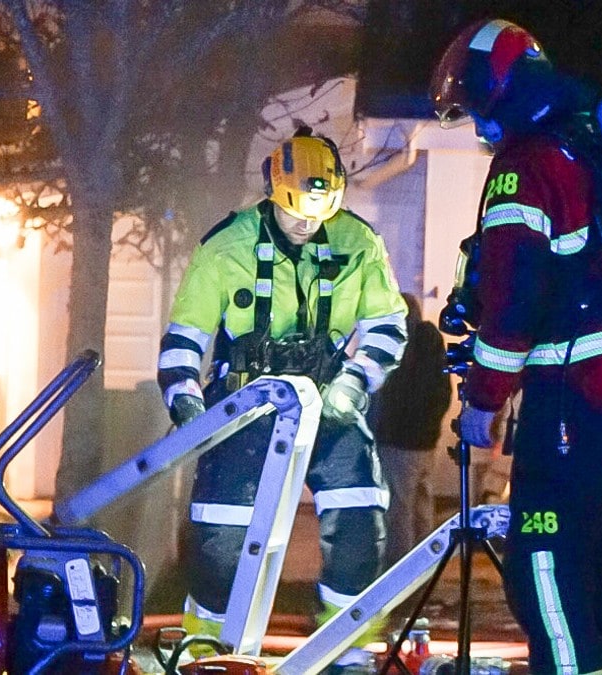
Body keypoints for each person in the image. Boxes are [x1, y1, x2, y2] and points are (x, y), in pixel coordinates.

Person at [431, 19, 602, 673]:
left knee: (545, 560)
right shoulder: (600, 148)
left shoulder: (527, 165)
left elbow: (514, 302)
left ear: (498, 88)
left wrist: (482, 405)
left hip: (579, 398)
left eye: (477, 106)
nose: (479, 124)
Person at [157, 126, 407, 666]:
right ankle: (208, 651)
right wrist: (184, 402)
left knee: (361, 517)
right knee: (220, 538)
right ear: (274, 192)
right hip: (243, 409)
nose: (307, 223)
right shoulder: (226, 246)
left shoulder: (358, 243)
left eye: (319, 212)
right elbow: (185, 339)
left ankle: (351, 653)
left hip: (329, 404)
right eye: (296, 211)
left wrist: (355, 381)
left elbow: (388, 324)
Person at [367, 292, 452, 566]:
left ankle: (398, 571)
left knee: (398, 511)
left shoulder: (401, 346)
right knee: (421, 507)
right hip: (425, 441)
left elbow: (387, 392)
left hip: (398, 440)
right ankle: (424, 567)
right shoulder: (432, 343)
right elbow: (441, 392)